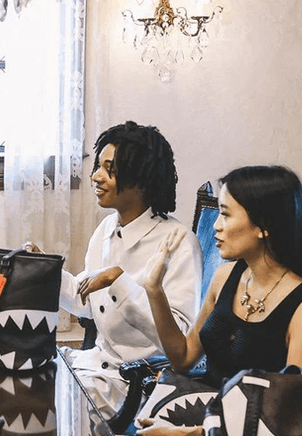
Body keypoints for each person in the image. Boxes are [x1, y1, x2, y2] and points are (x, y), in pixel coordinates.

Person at [126, 164, 302, 436]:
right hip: (200, 422)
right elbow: (183, 358)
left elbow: (289, 421)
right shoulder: (225, 278)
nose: (215, 227)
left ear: (263, 226)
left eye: (225, 214)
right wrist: (154, 290)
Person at [60, 121, 203, 419]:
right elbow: (87, 303)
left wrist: (119, 281)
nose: (96, 177)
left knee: (50, 407)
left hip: (136, 385)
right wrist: (43, 270)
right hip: (93, 367)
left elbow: (180, 340)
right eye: (98, 167)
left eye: (109, 170)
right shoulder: (106, 228)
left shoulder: (178, 242)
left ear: (140, 181)